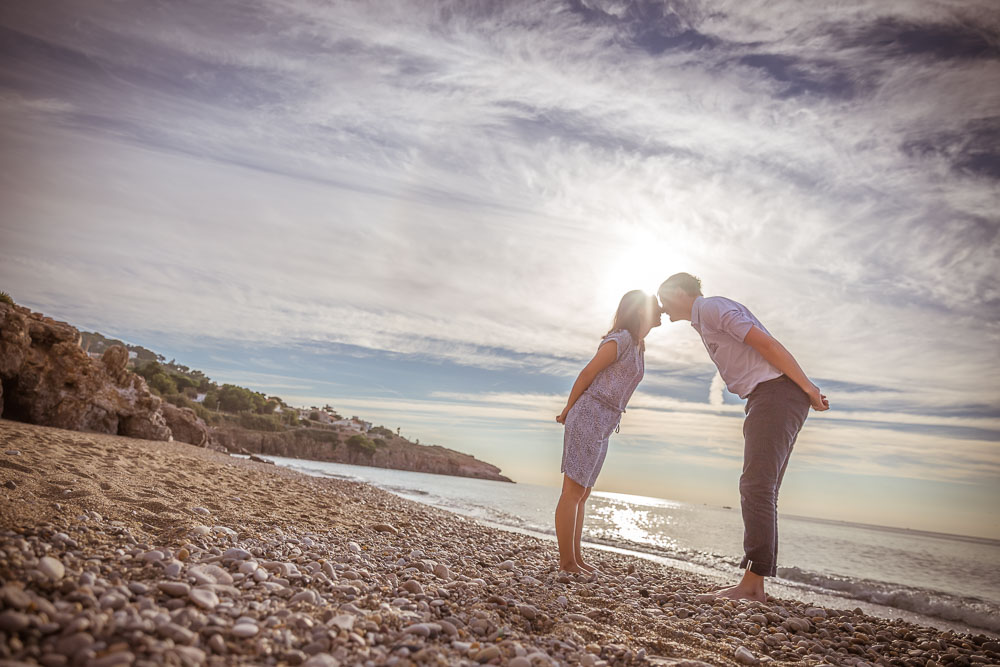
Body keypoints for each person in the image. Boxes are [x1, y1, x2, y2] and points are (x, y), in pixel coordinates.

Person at [657, 272, 829, 602]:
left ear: (679, 291)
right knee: (762, 487)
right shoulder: (704, 320)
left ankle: (751, 586)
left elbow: (766, 344)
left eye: (663, 298)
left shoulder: (711, 309)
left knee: (756, 486)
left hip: (776, 393)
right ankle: (754, 583)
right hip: (769, 396)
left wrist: (808, 388)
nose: (662, 308)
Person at [554, 290, 661, 573]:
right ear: (640, 311)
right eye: (654, 308)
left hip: (605, 421)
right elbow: (587, 374)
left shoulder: (639, 346)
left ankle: (576, 559)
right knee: (573, 490)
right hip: (589, 413)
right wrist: (567, 409)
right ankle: (566, 563)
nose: (660, 312)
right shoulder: (622, 339)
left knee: (583, 492)